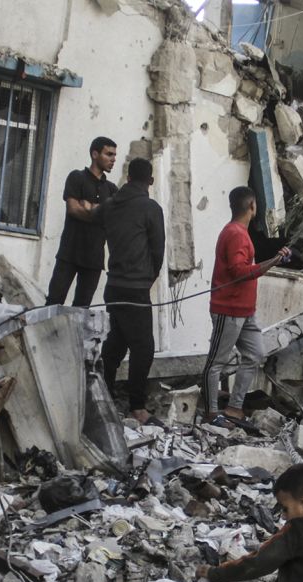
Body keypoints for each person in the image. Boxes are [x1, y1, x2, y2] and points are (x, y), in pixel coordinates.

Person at [200, 186, 290, 428]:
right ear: (252, 207)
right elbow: (239, 272)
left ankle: (235, 407)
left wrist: (274, 259)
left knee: (255, 354)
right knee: (216, 362)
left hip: (245, 311)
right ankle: (211, 413)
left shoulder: (239, 232)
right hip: (227, 309)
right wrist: (271, 263)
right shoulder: (236, 234)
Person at [100, 157, 165, 426]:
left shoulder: (110, 206)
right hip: (136, 288)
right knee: (143, 347)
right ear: (150, 181)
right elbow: (157, 250)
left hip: (113, 285)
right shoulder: (150, 207)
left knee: (117, 342)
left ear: (127, 178)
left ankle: (103, 394)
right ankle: (137, 406)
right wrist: (148, 278)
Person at [45, 137, 117, 308]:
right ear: (94, 154)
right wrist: (100, 212)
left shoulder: (113, 189)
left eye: (114, 155)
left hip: (94, 259)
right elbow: (73, 209)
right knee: (53, 304)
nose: (113, 159)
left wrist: (88, 206)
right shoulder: (77, 177)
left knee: (81, 311)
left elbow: (113, 220)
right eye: (109, 154)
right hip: (69, 253)